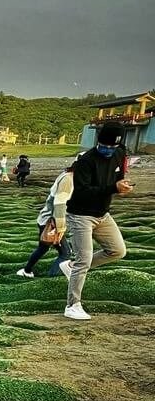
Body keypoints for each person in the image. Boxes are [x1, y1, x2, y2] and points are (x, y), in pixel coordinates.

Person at [61, 122, 133, 321]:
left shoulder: (119, 154)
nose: (108, 150)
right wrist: (113, 188)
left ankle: (71, 266)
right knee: (84, 260)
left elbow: (117, 178)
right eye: (104, 146)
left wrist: (122, 185)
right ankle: (72, 305)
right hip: (80, 215)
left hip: (102, 214)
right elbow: (83, 192)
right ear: (98, 142)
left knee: (118, 250)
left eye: (112, 147)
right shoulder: (86, 161)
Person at [16, 159, 76, 279]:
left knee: (43, 248)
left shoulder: (68, 175)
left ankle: (26, 271)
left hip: (46, 219)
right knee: (65, 253)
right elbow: (59, 204)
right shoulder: (69, 179)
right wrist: (60, 228)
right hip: (52, 222)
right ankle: (52, 279)